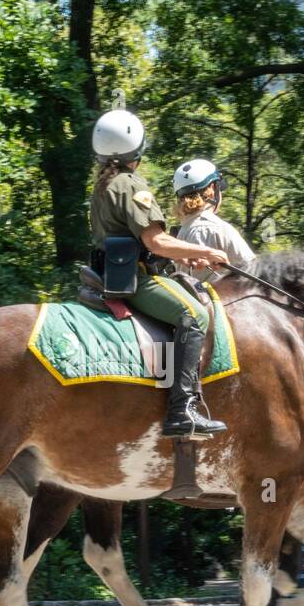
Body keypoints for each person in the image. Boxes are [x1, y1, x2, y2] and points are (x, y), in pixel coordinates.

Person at [90, 111, 230, 439]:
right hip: (135, 280)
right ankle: (183, 409)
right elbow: (155, 240)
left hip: (117, 270)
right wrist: (207, 253)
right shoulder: (130, 184)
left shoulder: (103, 183)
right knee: (194, 316)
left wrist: (191, 255)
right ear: (135, 149)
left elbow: (136, 241)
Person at [169, 159, 255, 280]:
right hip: (221, 298)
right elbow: (255, 272)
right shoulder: (218, 228)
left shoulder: (182, 232)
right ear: (213, 187)